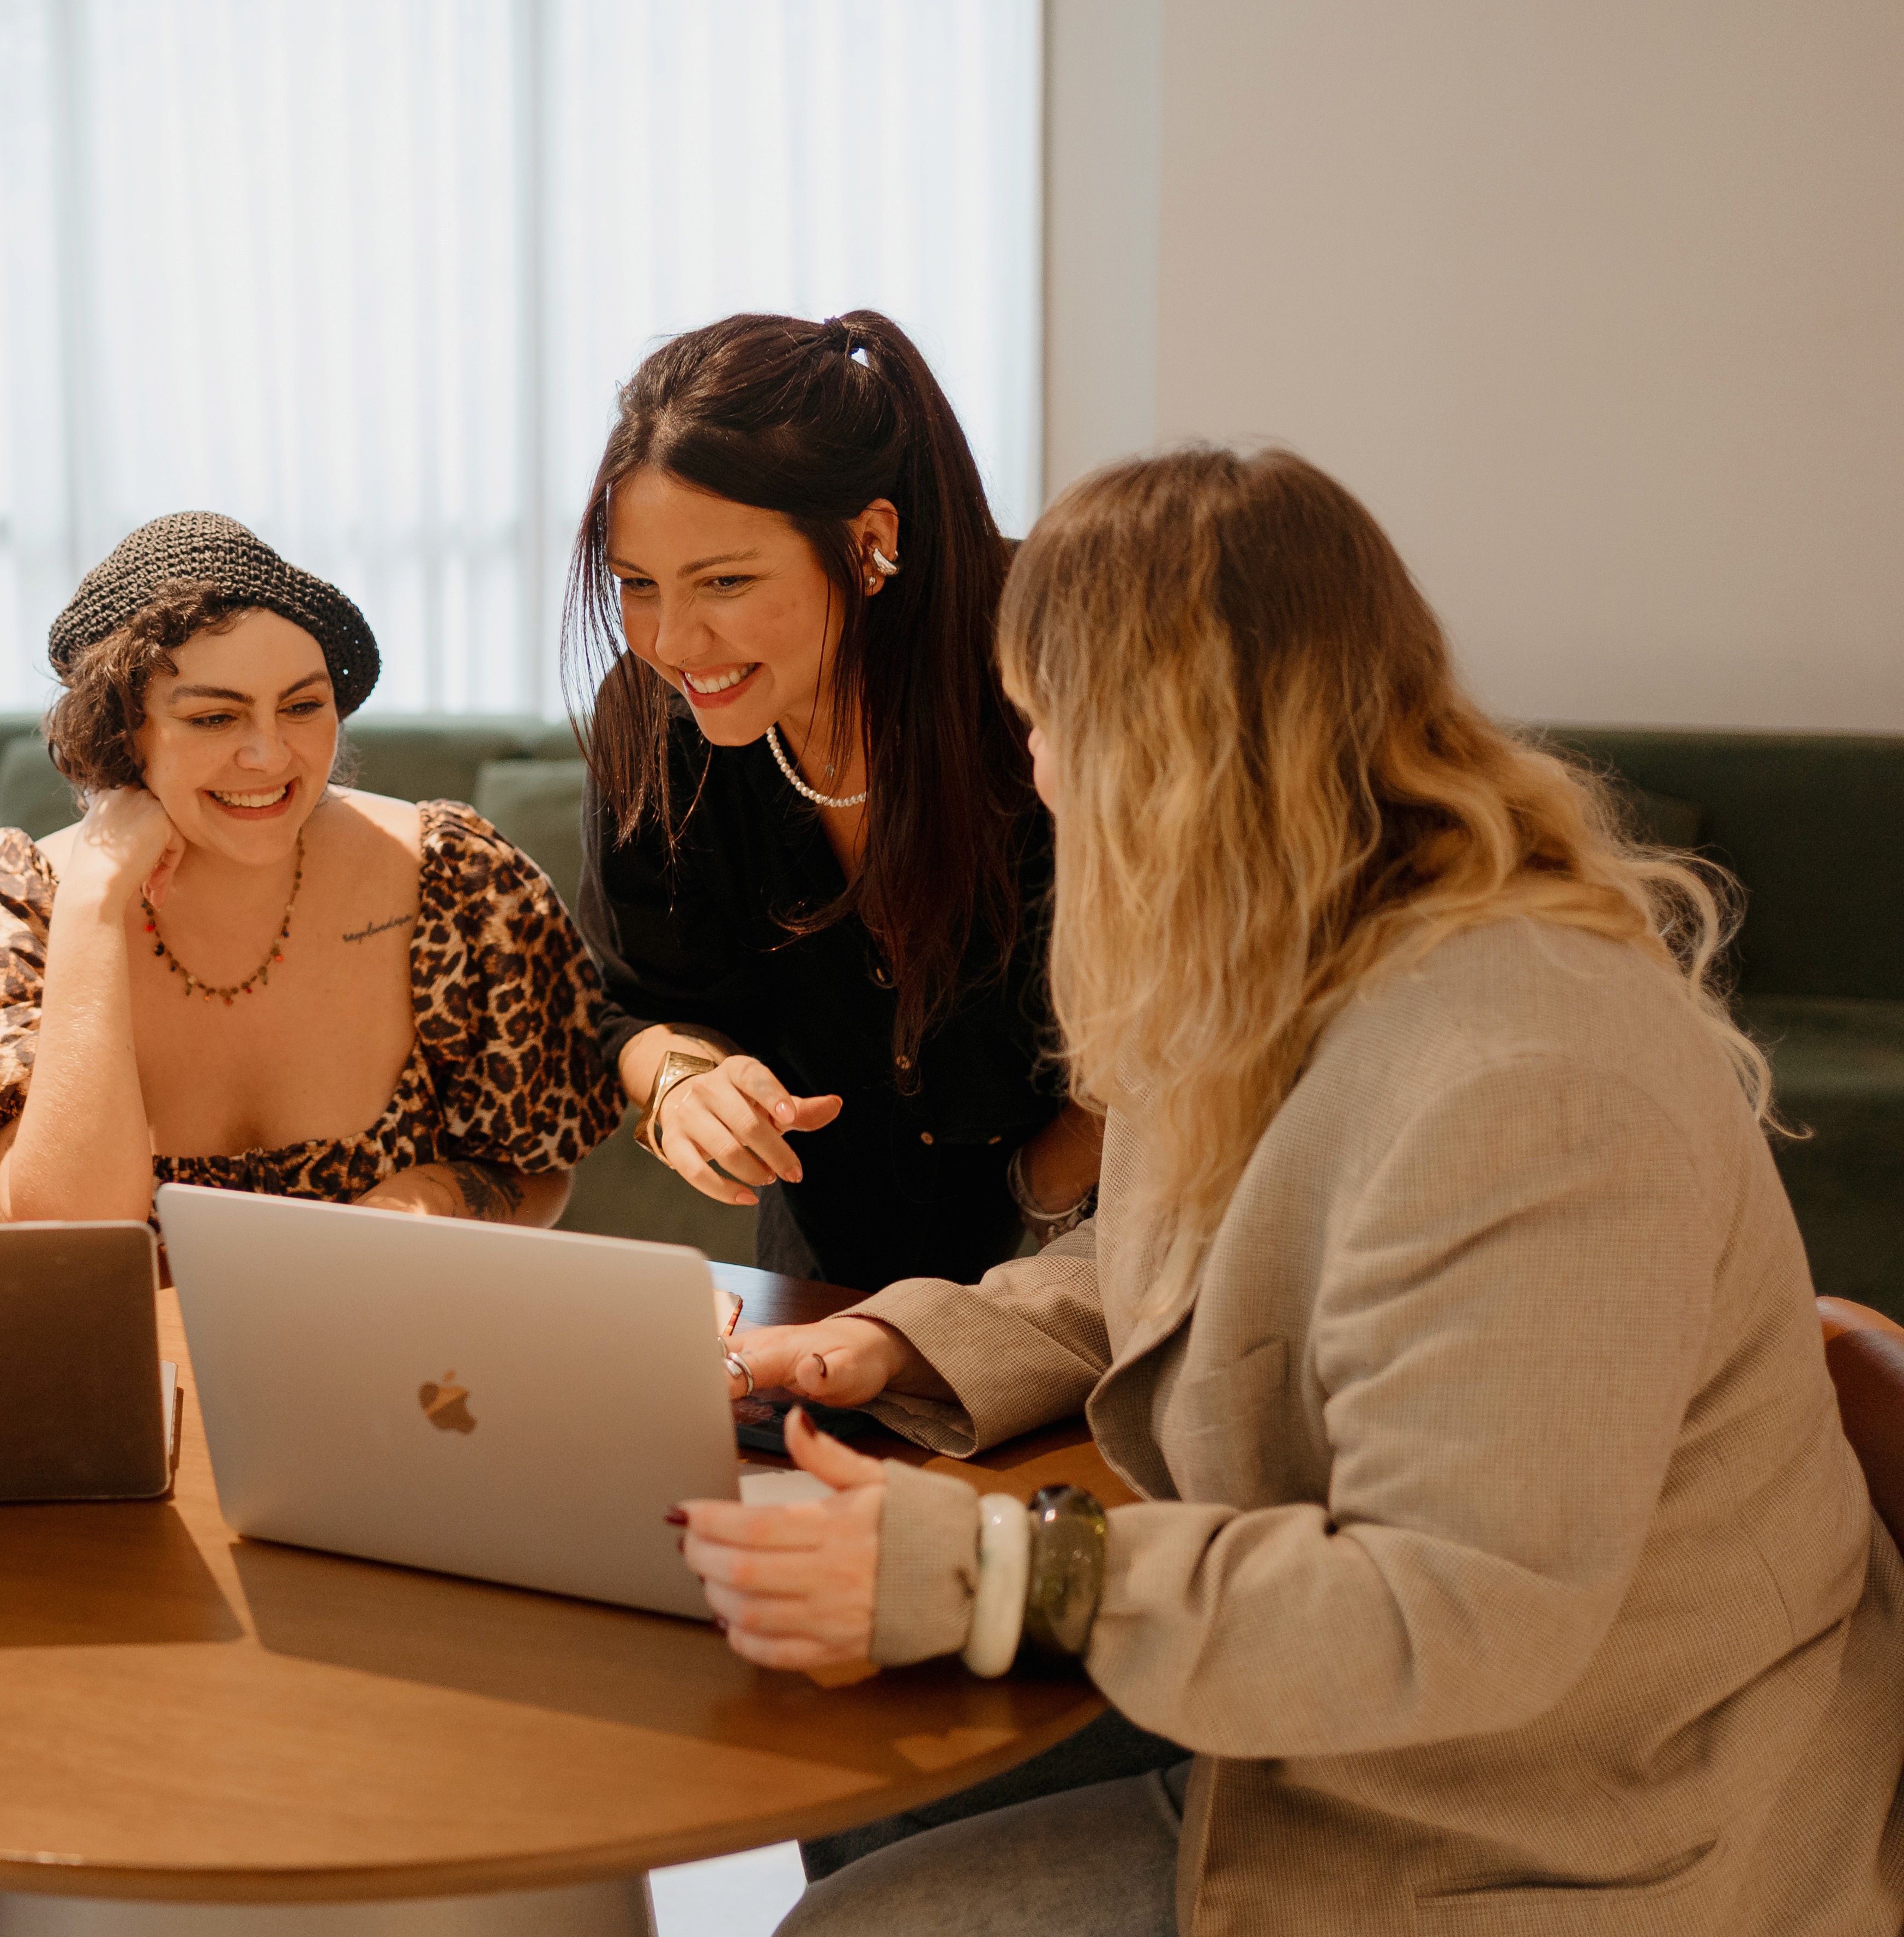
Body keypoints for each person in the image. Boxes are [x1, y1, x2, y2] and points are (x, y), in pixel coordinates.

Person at [684, 446, 1904, 1935]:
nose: (1034, 772)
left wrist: (978, 1565)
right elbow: (1210, 1254)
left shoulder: (1522, 1075)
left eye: (1043, 724)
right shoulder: (1298, 954)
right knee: (884, 1780)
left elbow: (1462, 1609)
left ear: (1164, 753)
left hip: (1582, 1832)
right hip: (1379, 1749)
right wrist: (907, 1344)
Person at [0, 511, 621, 1224]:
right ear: (120, 728)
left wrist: (431, 1198)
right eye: (213, 717)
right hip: (130, 1353)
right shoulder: (18, 903)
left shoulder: (457, 879)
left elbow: (537, 1167)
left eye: (302, 706)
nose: (269, 756)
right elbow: (69, 1229)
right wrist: (94, 905)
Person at [568, 309, 1104, 1299]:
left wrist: (1046, 1186)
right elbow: (638, 1003)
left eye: (723, 580)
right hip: (832, 1282)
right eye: (637, 584)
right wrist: (685, 1081)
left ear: (869, 543)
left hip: (1103, 1264)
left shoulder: (1057, 658)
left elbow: (1212, 985)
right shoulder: (652, 719)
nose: (673, 642)